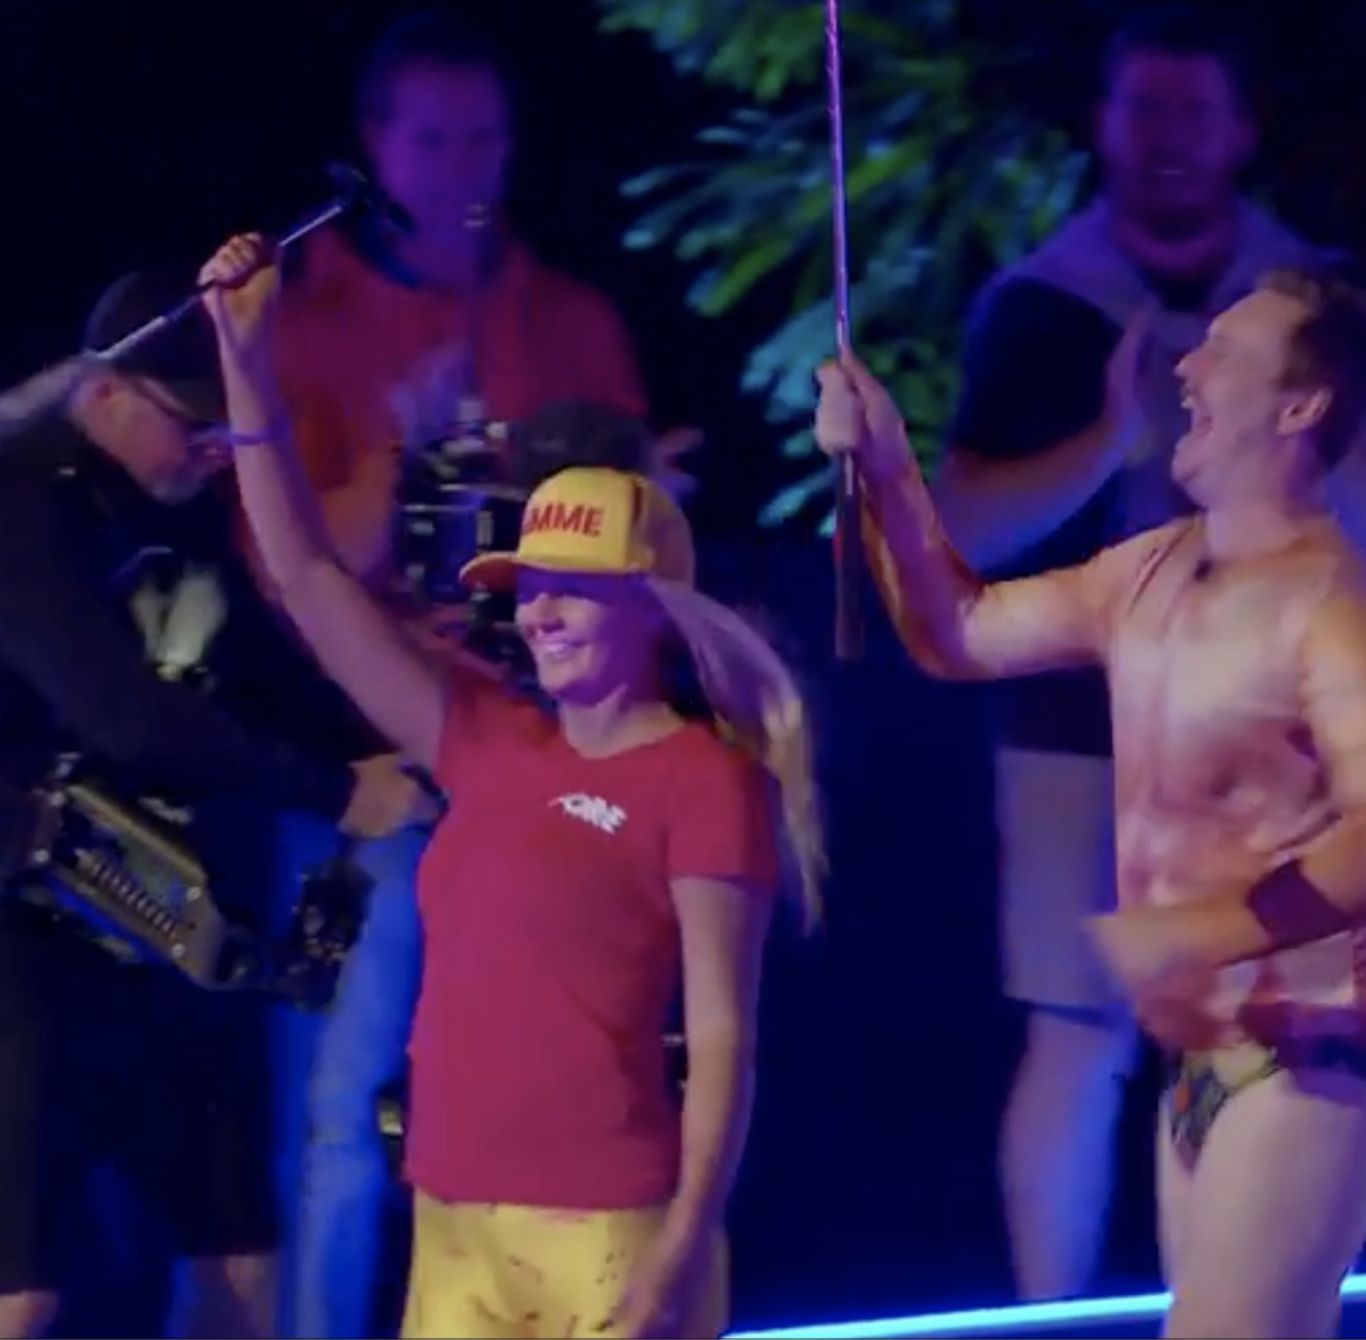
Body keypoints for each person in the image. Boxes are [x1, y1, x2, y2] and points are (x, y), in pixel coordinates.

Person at [817, 265, 1366, 1339]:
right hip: (1205, 1048)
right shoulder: (1151, 570)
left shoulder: (1334, 607)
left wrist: (1201, 929)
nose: (1187, 367)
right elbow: (958, 632)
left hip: (1315, 1046)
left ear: (1299, 408)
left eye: (1225, 354)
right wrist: (883, 464)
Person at [204, 231, 817, 1339]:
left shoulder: (705, 781)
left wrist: (682, 1247)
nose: (539, 611)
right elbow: (302, 572)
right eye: (528, 585)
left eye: (573, 587)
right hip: (454, 1229)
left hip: (612, 1236)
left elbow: (724, 1040)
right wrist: (247, 373)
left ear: (652, 604)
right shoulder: (480, 735)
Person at [932, 5, 1366, 1299]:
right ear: (1104, 124)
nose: (1170, 138)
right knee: (1080, 1037)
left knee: (1258, 1049)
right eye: (1145, 109)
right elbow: (961, 525)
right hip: (1079, 740)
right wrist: (1112, 440)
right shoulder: (1041, 305)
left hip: (1272, 743)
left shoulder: (1312, 303)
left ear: (1242, 130)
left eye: (1196, 111)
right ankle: (1053, 1317)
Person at [257, 14, 670, 1335]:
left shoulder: (567, 318)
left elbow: (642, 541)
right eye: (431, 140)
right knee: (336, 1110)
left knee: (553, 1088)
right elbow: (287, 572)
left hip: (543, 774)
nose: (460, 168)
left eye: (484, 139)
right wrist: (397, 449)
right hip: (372, 771)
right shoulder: (306, 321)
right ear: (374, 145)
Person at [0, 272, 425, 1339]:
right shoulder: (19, 504)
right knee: (21, 1286)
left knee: (240, 1263)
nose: (213, 452)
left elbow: (262, 673)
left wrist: (397, 748)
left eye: (225, 432)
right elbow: (124, 715)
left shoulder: (178, 516)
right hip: (25, 949)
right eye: (193, 426)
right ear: (105, 396)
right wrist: (337, 792)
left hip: (165, 937)